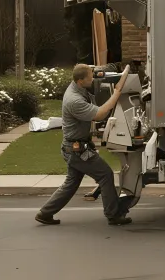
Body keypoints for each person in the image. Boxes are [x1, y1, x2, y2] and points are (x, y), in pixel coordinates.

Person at [35, 63, 132, 226]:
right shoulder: (75, 100)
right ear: (81, 81)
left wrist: (112, 73)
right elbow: (100, 114)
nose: (93, 79)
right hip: (76, 150)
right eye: (90, 77)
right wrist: (116, 93)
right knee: (105, 174)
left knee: (71, 182)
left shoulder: (77, 88)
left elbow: (96, 77)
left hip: (74, 147)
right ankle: (113, 215)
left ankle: (45, 213)